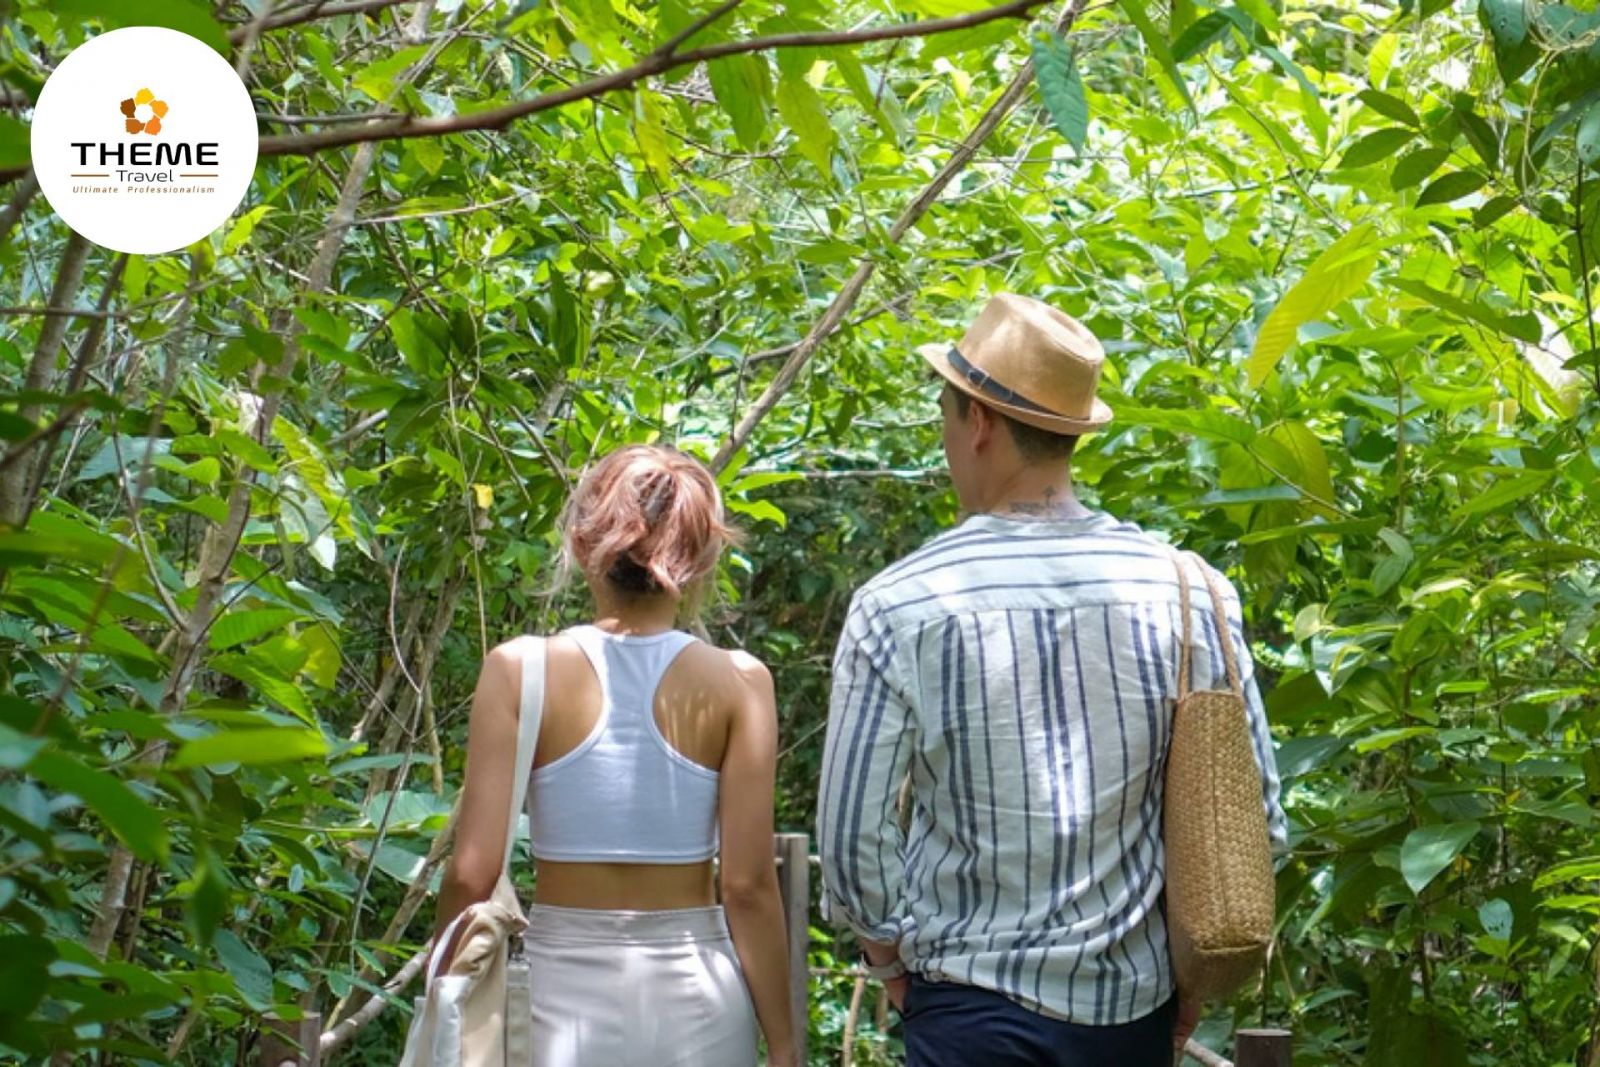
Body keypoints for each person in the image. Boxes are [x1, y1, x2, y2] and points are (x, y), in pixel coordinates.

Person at [816, 293, 1288, 1066]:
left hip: (967, 1013)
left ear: (978, 420)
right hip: (1129, 1018)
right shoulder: (1190, 591)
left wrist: (889, 958)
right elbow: (1254, 812)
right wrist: (1190, 970)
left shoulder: (901, 603)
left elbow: (849, 843)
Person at [433, 444, 798, 1067]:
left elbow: (472, 875)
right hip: (699, 1001)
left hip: (557, 1000)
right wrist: (785, 1046)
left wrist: (443, 998)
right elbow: (746, 886)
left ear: (582, 544)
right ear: (701, 559)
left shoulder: (519, 670)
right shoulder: (741, 681)